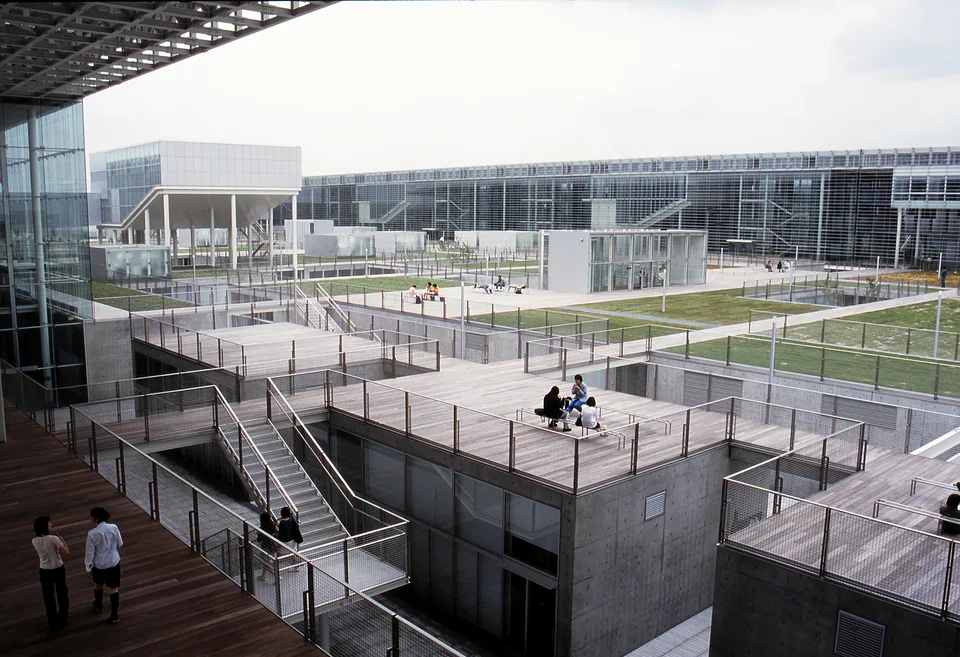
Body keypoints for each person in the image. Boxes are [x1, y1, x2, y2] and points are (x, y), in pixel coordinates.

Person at [85, 507, 122, 624]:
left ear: (96, 518)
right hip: (113, 562)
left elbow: (89, 552)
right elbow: (120, 543)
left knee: (98, 584)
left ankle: (98, 604)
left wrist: (88, 567)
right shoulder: (114, 527)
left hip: (99, 564)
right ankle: (114, 615)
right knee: (113, 588)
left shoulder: (92, 534)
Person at [33, 516, 70, 631]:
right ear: (45, 526)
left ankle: (52, 620)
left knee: (48, 596)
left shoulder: (35, 541)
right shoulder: (54, 539)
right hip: (58, 568)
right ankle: (63, 616)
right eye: (49, 524)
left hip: (44, 570)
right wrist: (62, 540)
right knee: (62, 592)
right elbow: (66, 552)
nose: (51, 526)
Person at [257, 512, 278, 581]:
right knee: (268, 562)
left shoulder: (262, 529)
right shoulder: (273, 526)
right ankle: (264, 575)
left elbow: (259, 540)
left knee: (266, 563)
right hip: (273, 548)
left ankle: (277, 576)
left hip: (265, 548)